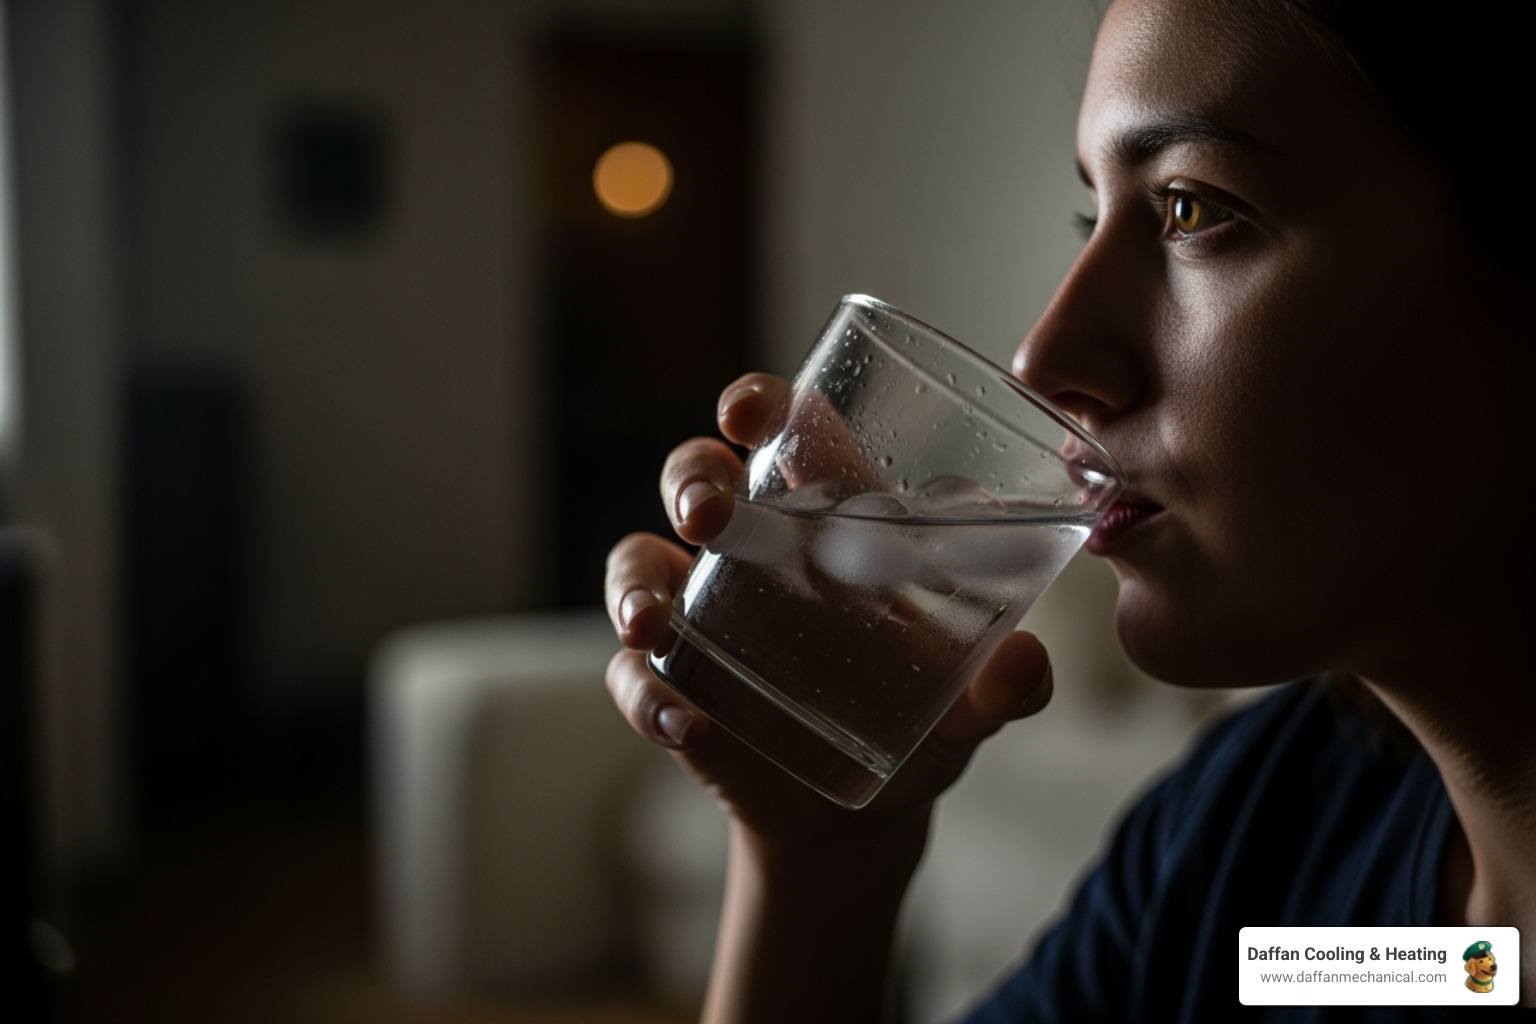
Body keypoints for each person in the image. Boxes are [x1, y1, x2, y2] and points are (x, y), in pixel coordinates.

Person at [602, 0, 1534, 1019]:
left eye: (1192, 209)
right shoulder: (1252, 852)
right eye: (1095, 218)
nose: (1041, 358)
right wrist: (821, 862)